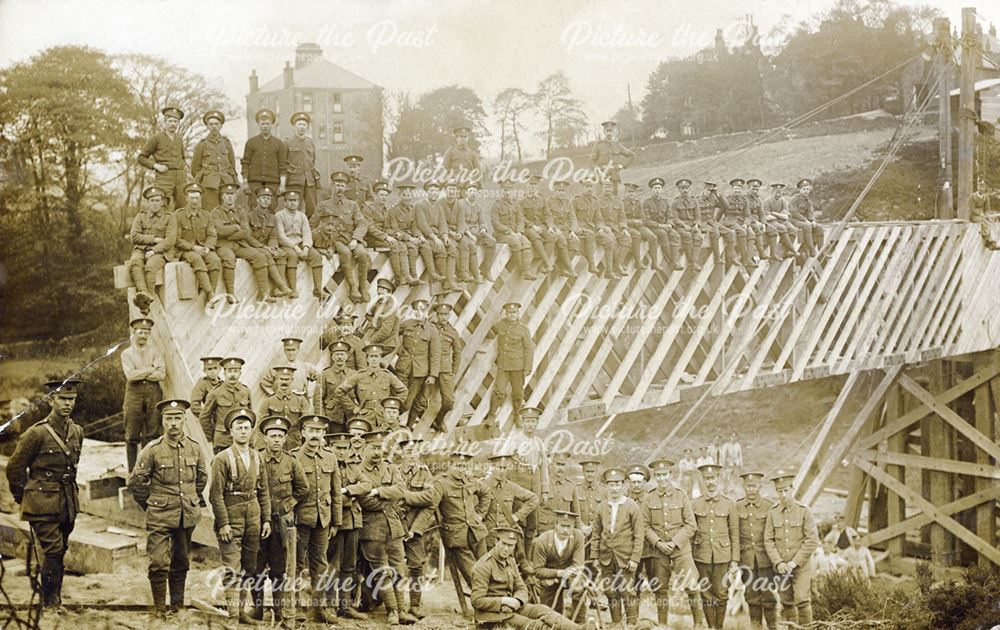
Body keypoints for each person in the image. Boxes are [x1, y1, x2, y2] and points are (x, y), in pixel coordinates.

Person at [5, 379, 84, 613]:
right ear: (51, 400)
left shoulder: (77, 431)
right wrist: (25, 497)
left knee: (61, 550)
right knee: (53, 550)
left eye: (71, 399)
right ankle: (50, 605)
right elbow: (14, 468)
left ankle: (54, 599)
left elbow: (71, 468)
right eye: (62, 399)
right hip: (41, 503)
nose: (67, 403)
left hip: (68, 501)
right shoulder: (36, 433)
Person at [128, 399, 208, 619]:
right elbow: (136, 482)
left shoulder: (195, 447)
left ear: (184, 420)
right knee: (158, 562)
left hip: (186, 515)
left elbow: (201, 478)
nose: (173, 423)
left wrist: (190, 499)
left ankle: (177, 606)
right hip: (160, 515)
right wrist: (152, 503)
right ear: (163, 421)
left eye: (177, 418)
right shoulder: (152, 450)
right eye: (169, 418)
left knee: (181, 561)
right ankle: (159, 609)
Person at [208, 407, 272, 628]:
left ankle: (243, 612)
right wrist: (223, 523)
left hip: (253, 516)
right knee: (232, 568)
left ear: (252, 431)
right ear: (231, 432)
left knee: (249, 567)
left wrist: (266, 519)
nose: (243, 431)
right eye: (238, 428)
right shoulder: (221, 459)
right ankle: (233, 617)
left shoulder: (257, 457)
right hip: (231, 515)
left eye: (247, 427)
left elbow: (263, 491)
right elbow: (215, 495)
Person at [472, 526, 594, 630]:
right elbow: (477, 601)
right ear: (496, 542)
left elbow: (521, 587)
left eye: (511, 545)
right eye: (503, 544)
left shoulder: (511, 561)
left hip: (512, 607)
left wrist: (518, 600)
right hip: (493, 615)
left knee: (543, 610)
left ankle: (577, 629)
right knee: (537, 626)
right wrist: (504, 601)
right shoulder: (483, 565)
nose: (506, 549)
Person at [249, 415, 309, 625]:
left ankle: (278, 610)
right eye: (272, 436)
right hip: (259, 521)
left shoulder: (292, 462)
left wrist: (288, 504)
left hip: (283, 524)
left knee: (279, 569)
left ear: (285, 439)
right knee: (256, 566)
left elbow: (303, 489)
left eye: (280, 436)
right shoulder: (255, 459)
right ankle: (256, 609)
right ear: (265, 438)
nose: (276, 440)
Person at [356, 430, 418, 625]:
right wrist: (386, 499)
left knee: (399, 569)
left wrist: (377, 492)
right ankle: (392, 611)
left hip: (394, 528)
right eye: (373, 448)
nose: (376, 452)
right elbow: (364, 502)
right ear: (364, 449)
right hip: (371, 530)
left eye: (379, 448)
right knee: (381, 571)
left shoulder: (391, 468)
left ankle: (403, 611)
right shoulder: (357, 470)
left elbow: (400, 491)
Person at [290, 414, 343, 623]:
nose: (314, 435)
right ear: (303, 433)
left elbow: (336, 491)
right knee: (295, 564)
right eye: (310, 431)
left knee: (320, 564)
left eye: (318, 431)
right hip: (301, 519)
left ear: (324, 434)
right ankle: (295, 607)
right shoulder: (294, 457)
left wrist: (336, 521)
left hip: (323, 520)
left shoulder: (330, 457)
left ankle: (318, 609)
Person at [640, 459, 704, 628]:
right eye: (658, 475)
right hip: (658, 550)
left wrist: (675, 543)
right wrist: (658, 543)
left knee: (691, 586)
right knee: (660, 589)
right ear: (655, 476)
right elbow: (645, 526)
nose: (661, 479)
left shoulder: (681, 495)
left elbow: (691, 524)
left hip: (681, 549)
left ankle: (698, 624)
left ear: (670, 475)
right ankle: (662, 625)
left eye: (664, 475)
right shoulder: (648, 498)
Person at [763, 471, 819, 627]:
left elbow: (812, 540)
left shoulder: (804, 511)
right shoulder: (773, 513)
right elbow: (768, 540)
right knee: (786, 601)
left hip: (801, 567)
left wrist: (794, 563)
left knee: (802, 599)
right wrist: (779, 562)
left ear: (792, 489)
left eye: (786, 490)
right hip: (781, 568)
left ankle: (807, 628)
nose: (783, 494)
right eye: (780, 491)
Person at [591, 467, 644, 628]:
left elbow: (639, 534)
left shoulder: (631, 506)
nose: (614, 488)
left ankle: (632, 624)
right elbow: (596, 533)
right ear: (607, 486)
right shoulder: (601, 507)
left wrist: (635, 558)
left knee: (627, 592)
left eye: (617, 484)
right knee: (611, 591)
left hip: (626, 558)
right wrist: (595, 557)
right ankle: (616, 624)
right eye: (611, 485)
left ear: (623, 485)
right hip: (606, 558)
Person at [327, 432, 371, 620]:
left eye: (345, 448)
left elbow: (367, 484)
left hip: (353, 521)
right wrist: (346, 498)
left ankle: (344, 606)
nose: (342, 452)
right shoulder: (326, 466)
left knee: (349, 565)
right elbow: (327, 494)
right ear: (331, 447)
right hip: (334, 522)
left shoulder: (354, 467)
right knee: (332, 565)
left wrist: (347, 490)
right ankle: (329, 606)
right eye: (339, 448)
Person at [691, 463, 739, 629]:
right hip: (701, 555)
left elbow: (734, 534)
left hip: (722, 556)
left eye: (713, 478)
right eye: (707, 478)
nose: (710, 482)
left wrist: (734, 560)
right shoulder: (695, 504)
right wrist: (690, 560)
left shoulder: (728, 504)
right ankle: (711, 626)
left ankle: (719, 626)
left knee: (721, 592)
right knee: (705, 593)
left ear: (718, 479)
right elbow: (691, 533)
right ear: (702, 480)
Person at [396, 437, 440, 619]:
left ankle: (415, 605)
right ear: (402, 454)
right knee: (393, 567)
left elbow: (429, 500)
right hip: (395, 526)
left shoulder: (426, 474)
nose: (412, 456)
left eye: (415, 452)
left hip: (414, 528)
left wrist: (404, 495)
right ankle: (395, 606)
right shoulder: (394, 470)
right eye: (408, 453)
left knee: (416, 566)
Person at [210, 182, 275, 302]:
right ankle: (230, 294)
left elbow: (245, 232)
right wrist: (235, 227)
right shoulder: (216, 212)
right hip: (223, 246)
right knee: (229, 258)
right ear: (222, 196)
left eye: (232, 194)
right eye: (227, 194)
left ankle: (263, 293)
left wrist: (228, 235)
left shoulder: (241, 212)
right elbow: (219, 230)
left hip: (240, 245)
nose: (229, 197)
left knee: (259, 257)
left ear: (235, 196)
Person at [311, 171, 370, 302]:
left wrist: (355, 239)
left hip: (350, 238)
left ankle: (363, 288)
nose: (340, 188)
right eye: (337, 185)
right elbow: (312, 225)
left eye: (342, 186)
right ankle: (353, 287)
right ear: (332, 186)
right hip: (334, 240)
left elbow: (362, 223)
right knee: (345, 253)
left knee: (362, 254)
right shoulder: (323, 205)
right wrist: (320, 242)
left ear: (346, 188)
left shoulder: (352, 204)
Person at [434, 450, 489, 591]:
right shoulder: (442, 484)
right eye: (458, 466)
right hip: (457, 535)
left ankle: (494, 597)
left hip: (476, 532)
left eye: (464, 467)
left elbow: (486, 493)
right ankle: (483, 599)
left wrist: (480, 515)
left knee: (487, 568)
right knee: (473, 573)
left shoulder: (470, 481)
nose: (461, 470)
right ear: (450, 465)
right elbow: (430, 506)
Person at [121, 317, 166, 472]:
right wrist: (150, 369)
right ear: (134, 333)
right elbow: (131, 377)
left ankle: (149, 469)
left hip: (153, 392)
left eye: (146, 333)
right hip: (134, 393)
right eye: (140, 332)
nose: (143, 336)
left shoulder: (155, 352)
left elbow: (161, 375)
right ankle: (133, 471)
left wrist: (142, 372)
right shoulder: (126, 354)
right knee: (131, 433)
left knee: (153, 431)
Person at [479, 453, 539, 567]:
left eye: (504, 468)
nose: (502, 471)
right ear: (492, 467)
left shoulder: (511, 487)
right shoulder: (482, 484)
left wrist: (517, 516)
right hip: (487, 535)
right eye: (499, 467)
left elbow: (533, 498)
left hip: (505, 537)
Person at [529, 510, 589, 623]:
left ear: (573, 527)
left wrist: (559, 578)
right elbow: (537, 570)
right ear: (555, 524)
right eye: (562, 526)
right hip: (548, 577)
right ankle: (554, 622)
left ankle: (580, 623)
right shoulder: (542, 540)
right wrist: (557, 575)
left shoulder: (578, 537)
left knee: (578, 586)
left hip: (571, 575)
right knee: (549, 612)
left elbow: (578, 565)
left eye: (569, 526)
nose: (565, 530)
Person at [735, 471, 777, 630]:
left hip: (766, 559)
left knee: (768, 595)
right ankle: (756, 626)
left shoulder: (769, 506)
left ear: (760, 486)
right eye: (748, 486)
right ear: (743, 486)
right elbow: (735, 533)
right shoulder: (737, 506)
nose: (751, 489)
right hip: (746, 559)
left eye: (754, 486)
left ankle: (773, 626)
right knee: (751, 595)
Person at [485, 302, 534, 432]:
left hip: (518, 367)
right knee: (498, 391)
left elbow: (529, 349)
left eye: (514, 313)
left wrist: (528, 366)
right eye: (509, 313)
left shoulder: (523, 330)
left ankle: (518, 415)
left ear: (518, 314)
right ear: (506, 314)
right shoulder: (500, 325)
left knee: (518, 393)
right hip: (503, 365)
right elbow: (490, 332)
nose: (511, 315)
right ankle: (491, 415)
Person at [334, 344, 408, 429]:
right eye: (371, 356)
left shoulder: (387, 375)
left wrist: (392, 405)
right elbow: (339, 391)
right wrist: (353, 407)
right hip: (365, 416)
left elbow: (403, 390)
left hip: (383, 417)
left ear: (380, 358)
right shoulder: (359, 375)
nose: (374, 359)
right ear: (367, 359)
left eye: (376, 356)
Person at [174, 181, 225, 299]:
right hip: (186, 250)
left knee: (215, 260)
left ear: (201, 198)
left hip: (203, 248)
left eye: (197, 198)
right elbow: (176, 239)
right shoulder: (178, 215)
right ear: (186, 198)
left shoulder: (207, 215)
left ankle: (209, 297)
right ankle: (210, 293)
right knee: (197, 259)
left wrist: (207, 247)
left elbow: (212, 235)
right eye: (191, 198)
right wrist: (193, 247)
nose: (194, 201)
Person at [275, 188, 328, 301]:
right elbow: (281, 236)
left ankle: (318, 289)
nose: (292, 203)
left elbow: (307, 233)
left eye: (295, 200)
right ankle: (293, 289)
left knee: (316, 256)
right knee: (292, 256)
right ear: (284, 202)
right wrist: (295, 248)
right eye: (289, 200)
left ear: (298, 202)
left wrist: (306, 247)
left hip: (300, 243)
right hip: (287, 244)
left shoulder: (302, 215)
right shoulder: (279, 215)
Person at [394, 299, 441, 424]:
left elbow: (435, 354)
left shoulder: (432, 330)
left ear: (427, 312)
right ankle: (391, 424)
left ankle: (404, 425)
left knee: (408, 402)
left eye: (422, 310)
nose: (419, 313)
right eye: (417, 310)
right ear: (414, 312)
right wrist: (399, 349)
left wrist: (432, 375)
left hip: (419, 372)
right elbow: (393, 334)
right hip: (403, 367)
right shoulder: (406, 324)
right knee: (398, 397)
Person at [245, 186, 296, 299]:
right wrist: (264, 247)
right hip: (253, 246)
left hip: (266, 247)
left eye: (268, 198)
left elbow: (273, 236)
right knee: (267, 254)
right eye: (263, 198)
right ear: (257, 200)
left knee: (281, 254)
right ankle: (280, 286)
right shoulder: (248, 215)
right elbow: (247, 237)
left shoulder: (272, 217)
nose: (266, 200)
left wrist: (273, 247)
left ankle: (277, 289)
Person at [364, 179, 418, 286]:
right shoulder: (368, 208)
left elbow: (387, 227)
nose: (384, 197)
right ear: (376, 195)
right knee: (395, 245)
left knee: (402, 245)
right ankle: (398, 278)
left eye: (385, 195)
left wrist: (394, 234)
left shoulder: (384, 209)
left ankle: (406, 275)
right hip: (371, 238)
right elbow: (371, 229)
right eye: (381, 195)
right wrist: (386, 237)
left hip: (382, 237)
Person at [127, 185, 178, 295]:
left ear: (162, 202)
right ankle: (143, 293)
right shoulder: (141, 216)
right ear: (148, 202)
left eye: (157, 200)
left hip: (161, 252)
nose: (154, 203)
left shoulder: (170, 217)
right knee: (135, 262)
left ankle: (148, 298)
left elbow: (170, 240)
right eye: (152, 200)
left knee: (150, 267)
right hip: (141, 249)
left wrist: (154, 250)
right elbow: (134, 237)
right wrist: (153, 239)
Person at [138, 106, 188, 210]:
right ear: (164, 122)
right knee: (163, 205)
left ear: (178, 123)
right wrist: (156, 166)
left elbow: (182, 157)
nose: (173, 124)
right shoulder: (156, 138)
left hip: (180, 177)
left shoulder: (179, 139)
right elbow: (141, 158)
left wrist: (184, 169)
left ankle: (178, 227)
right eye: (170, 121)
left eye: (175, 121)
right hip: (164, 177)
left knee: (182, 206)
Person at [199, 357, 252, 452]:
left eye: (235, 371)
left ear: (240, 373)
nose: (232, 375)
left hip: (243, 441)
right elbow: (204, 417)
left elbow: (250, 416)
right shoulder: (215, 393)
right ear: (224, 373)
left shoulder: (246, 391)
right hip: (223, 441)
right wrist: (213, 436)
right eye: (229, 371)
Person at [191, 110, 238, 211]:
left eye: (216, 124)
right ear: (207, 126)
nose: (214, 127)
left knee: (228, 212)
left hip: (226, 183)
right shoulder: (202, 145)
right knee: (210, 212)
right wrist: (205, 178)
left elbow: (232, 164)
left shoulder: (227, 143)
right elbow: (195, 168)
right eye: (211, 124)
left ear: (221, 126)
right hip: (209, 185)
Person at [241, 108, 288, 209]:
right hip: (254, 183)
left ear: (272, 125)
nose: (265, 126)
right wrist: (245, 182)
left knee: (271, 208)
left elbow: (283, 165)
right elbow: (245, 163)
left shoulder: (279, 144)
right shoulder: (251, 142)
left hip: (273, 183)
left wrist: (282, 184)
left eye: (267, 123)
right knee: (253, 208)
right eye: (262, 123)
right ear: (258, 124)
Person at [255, 367, 312, 449]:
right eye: (281, 379)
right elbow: (261, 426)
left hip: (296, 445)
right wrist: (261, 448)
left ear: (292, 380)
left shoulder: (301, 400)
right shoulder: (268, 401)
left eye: (287, 379)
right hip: (275, 446)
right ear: (277, 380)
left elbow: (307, 424)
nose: (284, 382)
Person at [492, 179, 538, 280]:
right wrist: (510, 232)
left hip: (515, 233)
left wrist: (519, 231)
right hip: (502, 235)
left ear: (512, 191)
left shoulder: (515, 204)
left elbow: (520, 219)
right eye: (505, 190)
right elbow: (496, 223)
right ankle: (522, 270)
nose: (507, 192)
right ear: (501, 191)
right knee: (516, 242)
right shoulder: (497, 205)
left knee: (526, 243)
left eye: (509, 190)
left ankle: (526, 271)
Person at [573, 174, 617, 276]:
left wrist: (600, 227)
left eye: (591, 186)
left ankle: (609, 271)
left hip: (593, 229)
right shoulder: (575, 200)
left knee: (609, 242)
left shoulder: (594, 202)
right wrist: (576, 228)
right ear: (582, 187)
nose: (589, 189)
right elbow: (571, 217)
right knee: (590, 236)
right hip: (581, 230)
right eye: (586, 186)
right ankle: (592, 265)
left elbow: (599, 219)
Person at [430, 302, 463, 432]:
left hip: (445, 370)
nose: (443, 317)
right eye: (440, 315)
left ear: (449, 316)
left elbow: (457, 353)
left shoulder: (453, 332)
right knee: (421, 400)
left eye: (445, 315)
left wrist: (454, 370)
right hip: (429, 369)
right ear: (437, 315)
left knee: (449, 402)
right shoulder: (430, 328)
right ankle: (423, 422)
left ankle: (439, 420)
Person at [389, 182, 431, 283]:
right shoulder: (393, 210)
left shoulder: (412, 209)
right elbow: (395, 229)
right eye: (404, 195)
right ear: (400, 196)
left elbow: (414, 226)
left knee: (418, 247)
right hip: (400, 237)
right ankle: (407, 276)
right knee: (410, 247)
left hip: (410, 237)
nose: (407, 198)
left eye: (409, 195)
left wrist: (419, 235)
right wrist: (410, 238)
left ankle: (414, 276)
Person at [314, 341, 358, 434]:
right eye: (337, 354)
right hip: (332, 418)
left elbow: (361, 396)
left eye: (342, 354)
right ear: (333, 357)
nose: (339, 357)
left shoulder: (354, 374)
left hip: (351, 417)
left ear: (346, 356)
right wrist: (322, 419)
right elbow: (318, 399)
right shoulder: (325, 374)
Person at [408, 181, 446, 282]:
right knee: (426, 246)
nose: (434, 193)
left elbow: (442, 224)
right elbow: (422, 224)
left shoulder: (439, 207)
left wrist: (444, 236)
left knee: (441, 248)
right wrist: (435, 238)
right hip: (420, 232)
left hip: (433, 235)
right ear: (427, 192)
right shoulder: (419, 205)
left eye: (437, 191)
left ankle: (442, 274)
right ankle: (432, 273)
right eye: (432, 190)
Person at [440, 180, 477, 284]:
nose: (452, 192)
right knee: (453, 247)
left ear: (456, 191)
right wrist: (450, 233)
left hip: (456, 232)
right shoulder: (440, 203)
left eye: (454, 189)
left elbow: (461, 222)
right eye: (449, 189)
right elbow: (440, 223)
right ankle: (451, 278)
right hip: (444, 233)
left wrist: (460, 233)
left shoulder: (459, 204)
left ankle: (464, 272)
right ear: (445, 190)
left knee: (465, 243)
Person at [536, 452, 581, 535]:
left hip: (564, 531)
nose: (560, 468)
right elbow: (535, 509)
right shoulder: (542, 484)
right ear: (551, 465)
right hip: (544, 531)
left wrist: (578, 533)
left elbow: (576, 513)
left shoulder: (571, 486)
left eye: (563, 465)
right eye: (558, 464)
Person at [285, 112, 319, 218]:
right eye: (299, 124)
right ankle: (293, 231)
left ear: (307, 127)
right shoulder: (287, 142)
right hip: (294, 180)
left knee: (312, 207)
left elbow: (313, 161)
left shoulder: (311, 142)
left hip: (309, 181)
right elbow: (283, 163)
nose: (302, 127)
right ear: (294, 126)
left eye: (304, 125)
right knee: (294, 207)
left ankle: (308, 231)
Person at [520, 175, 556, 275]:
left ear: (537, 186)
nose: (533, 187)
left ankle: (541, 265)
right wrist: (532, 226)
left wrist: (550, 227)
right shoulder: (522, 200)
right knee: (535, 236)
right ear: (527, 185)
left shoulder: (542, 199)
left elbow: (548, 214)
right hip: (529, 228)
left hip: (541, 226)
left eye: (535, 184)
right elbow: (521, 217)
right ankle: (547, 262)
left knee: (552, 237)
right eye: (531, 184)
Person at [461, 181, 497, 280]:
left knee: (492, 241)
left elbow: (482, 221)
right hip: (465, 234)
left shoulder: (479, 207)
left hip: (476, 234)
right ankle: (471, 273)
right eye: (470, 191)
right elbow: (461, 222)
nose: (473, 193)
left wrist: (483, 229)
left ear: (477, 193)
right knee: (469, 245)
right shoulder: (461, 204)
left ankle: (486, 269)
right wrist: (469, 234)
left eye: (475, 191)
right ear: (466, 192)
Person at [597, 177, 633, 275]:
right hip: (605, 229)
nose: (607, 189)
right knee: (612, 242)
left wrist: (624, 228)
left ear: (612, 188)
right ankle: (616, 267)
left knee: (628, 240)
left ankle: (618, 264)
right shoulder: (598, 201)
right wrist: (603, 227)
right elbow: (597, 218)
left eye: (609, 187)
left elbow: (622, 217)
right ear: (602, 188)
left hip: (616, 228)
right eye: (605, 187)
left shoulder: (618, 201)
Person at [716, 179, 756, 268]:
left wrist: (746, 223)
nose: (737, 190)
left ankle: (749, 258)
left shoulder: (744, 200)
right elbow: (719, 213)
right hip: (729, 221)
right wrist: (715, 224)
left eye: (739, 188)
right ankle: (744, 259)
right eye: (736, 188)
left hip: (740, 222)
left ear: (741, 190)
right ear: (732, 189)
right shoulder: (727, 199)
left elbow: (748, 215)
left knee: (751, 233)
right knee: (742, 231)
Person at [542, 178, 578, 276]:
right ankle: (569, 268)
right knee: (562, 241)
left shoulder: (568, 202)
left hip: (565, 229)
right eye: (559, 190)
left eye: (563, 191)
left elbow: (573, 218)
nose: (561, 193)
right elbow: (547, 217)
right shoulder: (549, 201)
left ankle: (562, 267)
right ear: (555, 191)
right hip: (554, 229)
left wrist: (573, 231)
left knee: (574, 242)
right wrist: (553, 227)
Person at [590, 121, 634, 192]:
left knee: (614, 199)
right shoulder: (598, 145)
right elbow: (591, 161)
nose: (609, 133)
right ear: (604, 132)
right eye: (607, 131)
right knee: (600, 199)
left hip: (614, 177)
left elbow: (631, 155)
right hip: (602, 178)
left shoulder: (617, 145)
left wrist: (623, 166)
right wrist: (598, 172)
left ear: (614, 132)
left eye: (611, 131)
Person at [670, 179, 704, 269]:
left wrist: (697, 225)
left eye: (686, 188)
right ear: (679, 189)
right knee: (687, 235)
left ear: (689, 189)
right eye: (682, 188)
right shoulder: (675, 202)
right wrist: (684, 225)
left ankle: (695, 262)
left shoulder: (694, 201)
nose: (685, 190)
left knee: (698, 237)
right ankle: (690, 261)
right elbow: (675, 218)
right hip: (681, 226)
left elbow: (698, 216)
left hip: (692, 225)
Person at [762, 183, 798, 261]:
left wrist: (774, 213)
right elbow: (767, 216)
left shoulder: (783, 201)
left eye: (780, 192)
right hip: (771, 222)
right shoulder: (767, 201)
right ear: (772, 192)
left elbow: (786, 216)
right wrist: (779, 215)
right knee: (782, 228)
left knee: (793, 229)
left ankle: (787, 250)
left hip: (781, 220)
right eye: (776, 192)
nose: (778, 194)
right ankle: (792, 249)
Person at [362, 278, 402, 348]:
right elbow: (369, 315)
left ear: (389, 293)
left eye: (383, 293)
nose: (380, 295)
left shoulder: (391, 306)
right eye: (379, 293)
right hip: (377, 338)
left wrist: (370, 341)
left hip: (387, 343)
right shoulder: (380, 302)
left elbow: (386, 331)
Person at [788, 179, 822, 257]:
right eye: (804, 189)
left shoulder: (808, 201)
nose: (806, 191)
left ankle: (822, 251)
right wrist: (805, 220)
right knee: (807, 226)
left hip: (804, 221)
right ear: (800, 190)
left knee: (819, 228)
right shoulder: (794, 199)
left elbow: (810, 212)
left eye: (808, 189)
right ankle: (811, 248)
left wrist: (812, 220)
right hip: (794, 220)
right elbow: (794, 212)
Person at [970, 176, 1000, 248]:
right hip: (974, 216)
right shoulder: (973, 196)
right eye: (980, 186)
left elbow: (987, 209)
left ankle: (993, 240)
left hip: (983, 215)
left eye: (983, 186)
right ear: (977, 186)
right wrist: (980, 214)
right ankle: (987, 240)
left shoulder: (986, 197)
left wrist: (987, 215)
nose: (981, 188)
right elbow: (972, 209)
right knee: (984, 221)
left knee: (992, 220)